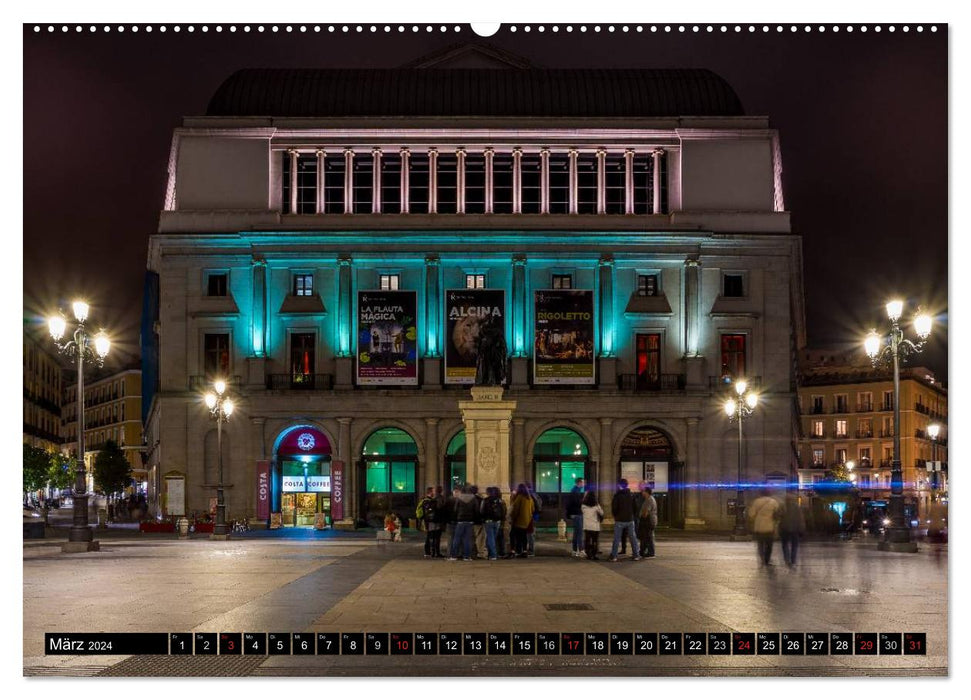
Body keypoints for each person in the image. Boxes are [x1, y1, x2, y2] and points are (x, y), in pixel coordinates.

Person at [609, 479, 642, 562]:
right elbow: (636, 507)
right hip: (630, 519)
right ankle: (636, 555)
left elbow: (614, 508)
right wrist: (632, 515)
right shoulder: (631, 495)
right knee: (633, 538)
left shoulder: (617, 496)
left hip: (620, 520)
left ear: (619, 485)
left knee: (617, 538)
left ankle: (614, 556)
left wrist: (615, 515)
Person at [748, 488, 782, 566]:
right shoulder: (773, 502)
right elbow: (777, 513)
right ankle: (767, 560)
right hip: (770, 526)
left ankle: (762, 559)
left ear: (761, 493)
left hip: (759, 526)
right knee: (769, 545)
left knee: (760, 544)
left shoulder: (756, 502)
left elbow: (751, 514)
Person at [448, 485, 478, 561]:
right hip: (470, 521)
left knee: (457, 538)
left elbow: (455, 509)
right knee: (467, 539)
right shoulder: (473, 498)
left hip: (460, 520)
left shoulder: (459, 498)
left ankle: (454, 556)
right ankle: (467, 556)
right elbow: (476, 510)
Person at [778, 494, 806, 567]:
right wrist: (801, 528)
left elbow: (777, 515)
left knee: (785, 545)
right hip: (795, 529)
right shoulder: (797, 507)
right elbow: (800, 518)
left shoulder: (782, 507)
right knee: (794, 546)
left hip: (784, 528)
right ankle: (793, 560)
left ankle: (787, 560)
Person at [508, 483, 534, 558]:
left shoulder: (519, 497)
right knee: (523, 536)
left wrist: (512, 518)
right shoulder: (529, 498)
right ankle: (524, 551)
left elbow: (515, 509)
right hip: (526, 521)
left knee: (512, 535)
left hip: (518, 520)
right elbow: (533, 509)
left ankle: (513, 551)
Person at [481, 486, 506, 561]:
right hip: (497, 522)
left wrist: (483, 518)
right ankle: (491, 554)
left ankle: (493, 555)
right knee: (492, 538)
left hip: (488, 521)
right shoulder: (500, 500)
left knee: (490, 538)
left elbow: (481, 511)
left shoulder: (485, 500)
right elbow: (503, 511)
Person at [418, 487, 443, 558]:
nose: (434, 493)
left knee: (429, 536)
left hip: (427, 521)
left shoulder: (424, 500)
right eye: (433, 491)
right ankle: (431, 552)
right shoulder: (430, 501)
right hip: (431, 521)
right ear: (430, 492)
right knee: (431, 536)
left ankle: (428, 552)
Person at [580, 490, 604, 560]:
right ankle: (594, 554)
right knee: (595, 541)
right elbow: (602, 513)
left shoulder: (583, 506)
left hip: (587, 526)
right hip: (595, 526)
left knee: (587, 540)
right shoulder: (596, 506)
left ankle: (588, 554)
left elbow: (582, 512)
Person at [565, 477, 585, 557]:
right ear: (579, 483)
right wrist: (584, 499)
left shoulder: (574, 490)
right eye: (582, 482)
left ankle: (574, 550)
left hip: (575, 514)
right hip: (577, 514)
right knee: (579, 533)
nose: (583, 484)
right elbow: (577, 503)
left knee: (576, 533)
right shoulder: (575, 491)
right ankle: (581, 550)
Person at [637, 486, 658, 558]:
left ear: (646, 492)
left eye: (643, 491)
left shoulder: (649, 500)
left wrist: (642, 515)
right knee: (647, 536)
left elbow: (646, 512)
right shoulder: (648, 499)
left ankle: (651, 553)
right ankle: (645, 551)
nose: (642, 493)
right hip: (650, 521)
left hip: (649, 521)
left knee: (649, 537)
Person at [525, 482, 542, 556]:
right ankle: (531, 549)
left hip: (529, 516)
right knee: (531, 533)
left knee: (529, 534)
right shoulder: (535, 494)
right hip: (535, 515)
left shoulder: (528, 495)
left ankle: (530, 550)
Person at [470, 485, 486, 559]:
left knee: (471, 538)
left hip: (470, 521)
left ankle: (471, 553)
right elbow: (482, 511)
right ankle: (480, 553)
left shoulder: (468, 499)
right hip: (479, 521)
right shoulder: (480, 499)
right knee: (480, 538)